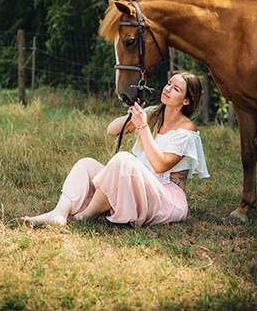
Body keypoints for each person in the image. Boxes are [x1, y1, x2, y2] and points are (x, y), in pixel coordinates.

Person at [22, 70, 209, 228]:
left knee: (123, 159)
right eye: (169, 84)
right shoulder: (153, 113)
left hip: (167, 199)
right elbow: (111, 130)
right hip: (142, 186)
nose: (167, 89)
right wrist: (131, 117)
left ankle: (85, 217)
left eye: (176, 89)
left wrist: (142, 126)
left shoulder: (187, 130)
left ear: (186, 101)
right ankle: (59, 213)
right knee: (86, 165)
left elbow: (160, 166)